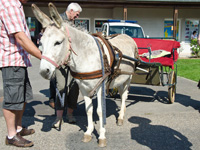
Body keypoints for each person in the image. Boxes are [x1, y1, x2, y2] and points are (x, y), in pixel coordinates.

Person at [0, 0, 42, 147]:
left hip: (19, 61)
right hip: (12, 61)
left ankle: (18, 128)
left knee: (22, 97)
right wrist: (43, 57)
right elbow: (20, 37)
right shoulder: (10, 4)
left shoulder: (16, 5)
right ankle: (11, 135)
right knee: (13, 99)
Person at [51, 2, 82, 129]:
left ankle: (70, 115)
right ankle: (58, 118)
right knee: (61, 87)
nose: (77, 16)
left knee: (74, 87)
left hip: (73, 61)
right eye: (77, 14)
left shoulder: (72, 23)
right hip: (61, 61)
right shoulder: (58, 21)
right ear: (71, 10)